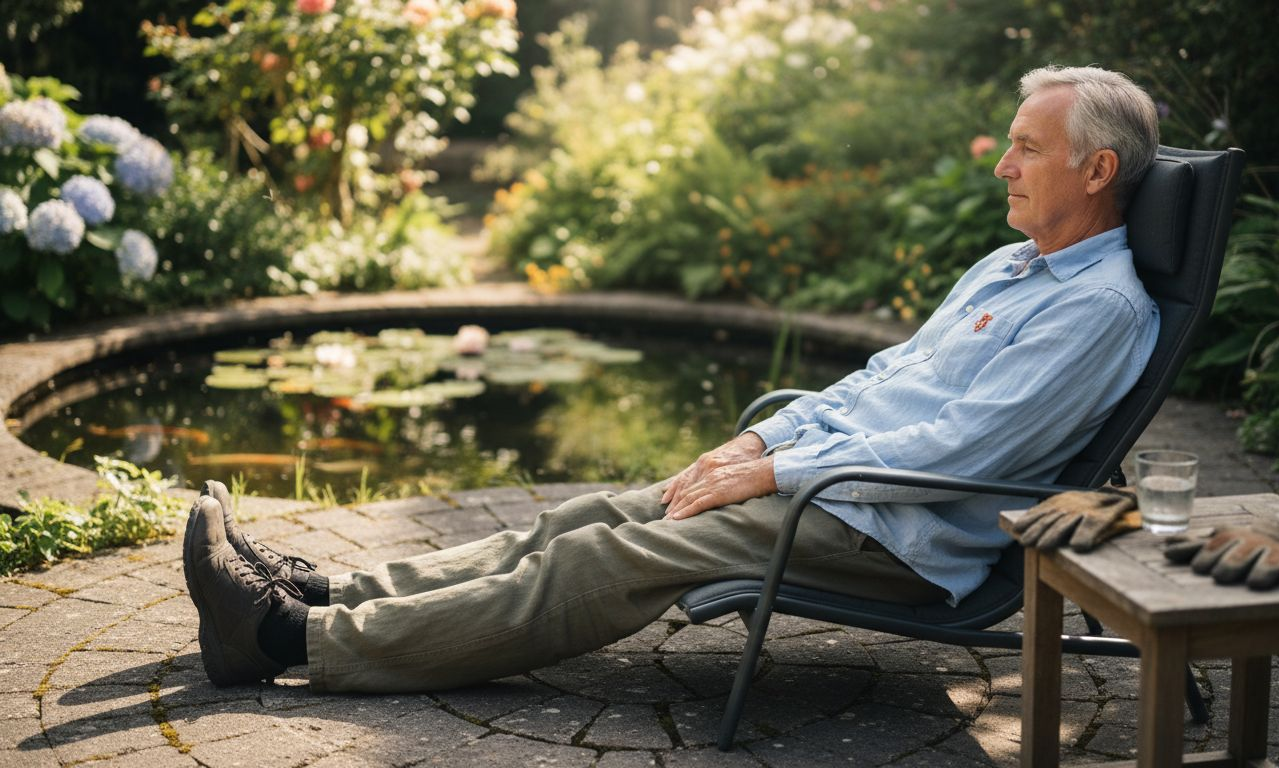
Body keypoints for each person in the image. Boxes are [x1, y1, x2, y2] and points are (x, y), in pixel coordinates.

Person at [183, 65, 1162, 692]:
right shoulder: (1010, 267)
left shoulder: (1098, 308)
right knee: (583, 514)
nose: (1005, 166)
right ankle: (328, 592)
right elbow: (885, 379)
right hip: (832, 481)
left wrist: (775, 475)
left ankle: (283, 644)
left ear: (1095, 169)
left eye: (1028, 147)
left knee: (601, 562)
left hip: (902, 527)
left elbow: (957, 449)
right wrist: (758, 443)